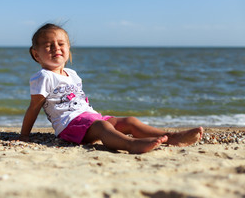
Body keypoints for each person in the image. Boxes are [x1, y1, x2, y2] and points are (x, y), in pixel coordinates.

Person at [20, 23, 203, 154]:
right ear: (36, 54)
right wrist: (24, 136)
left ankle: (172, 137)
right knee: (102, 127)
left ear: (68, 48)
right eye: (48, 45)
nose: (56, 48)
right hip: (69, 126)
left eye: (61, 44)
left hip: (91, 118)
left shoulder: (72, 73)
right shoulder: (44, 77)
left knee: (129, 121)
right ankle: (131, 145)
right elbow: (34, 107)